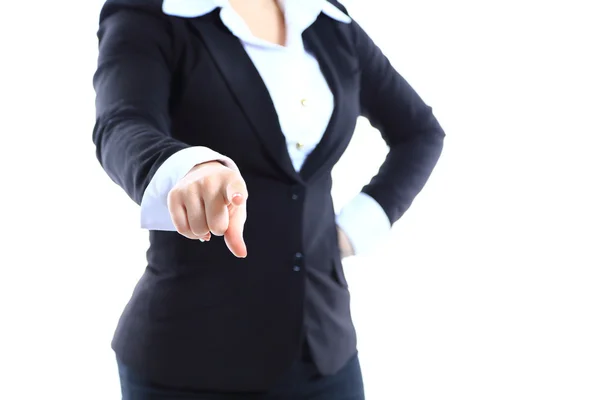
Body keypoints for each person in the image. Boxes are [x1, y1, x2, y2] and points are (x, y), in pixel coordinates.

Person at [92, 0, 445, 398]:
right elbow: (122, 123)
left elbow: (420, 132)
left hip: (324, 353)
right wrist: (187, 167)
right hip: (192, 360)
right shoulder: (152, 15)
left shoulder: (324, 17)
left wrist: (354, 230)